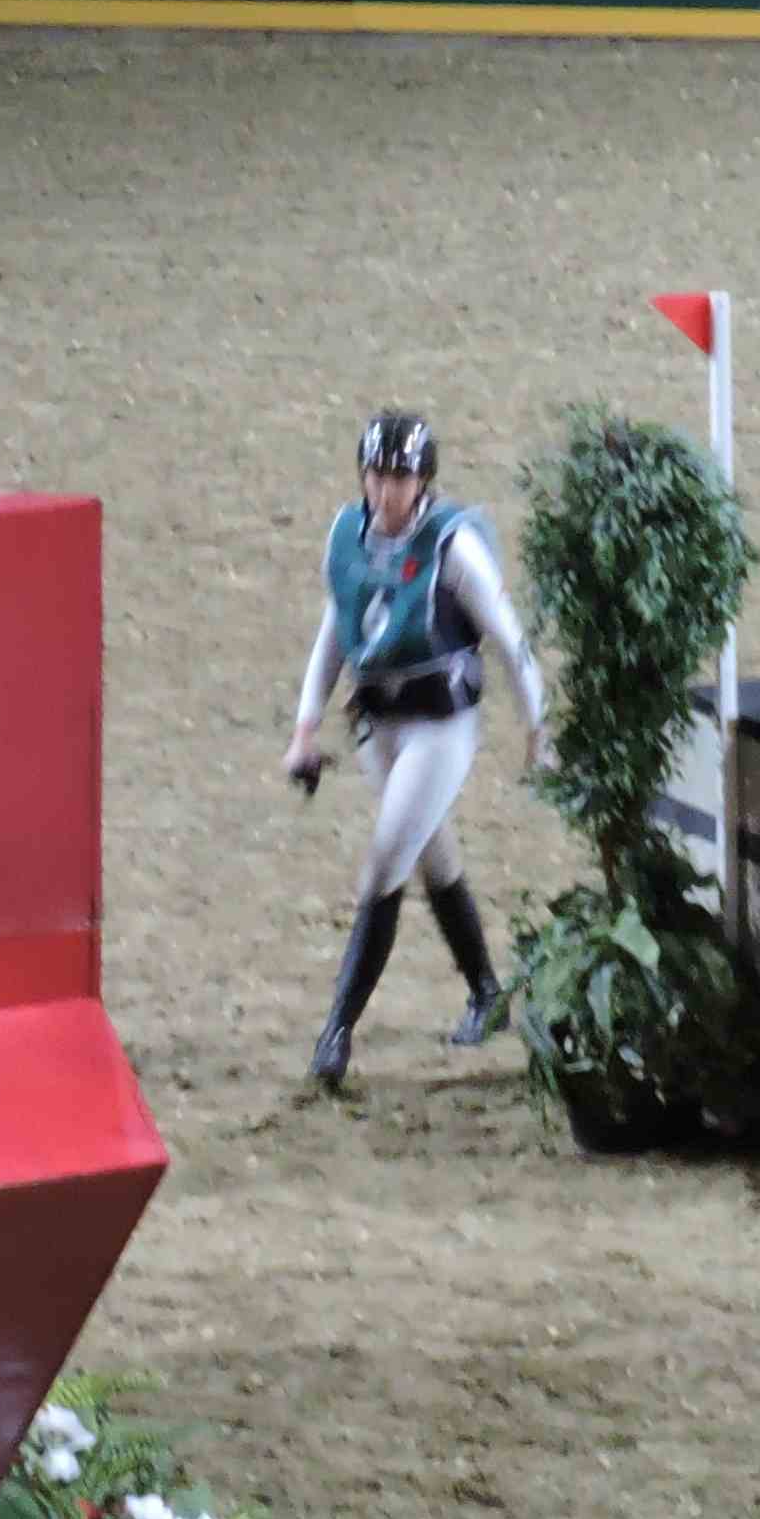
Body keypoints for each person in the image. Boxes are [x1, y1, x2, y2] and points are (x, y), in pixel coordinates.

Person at [283, 410, 551, 1093]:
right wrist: (305, 727)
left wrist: (535, 729)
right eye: (377, 474)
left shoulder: (452, 549)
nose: (386, 489)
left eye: (400, 476)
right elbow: (336, 631)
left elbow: (509, 639)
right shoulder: (347, 535)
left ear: (423, 479)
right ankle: (486, 990)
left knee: (384, 863)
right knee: (433, 854)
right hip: (381, 726)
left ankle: (336, 1030)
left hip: (439, 727)